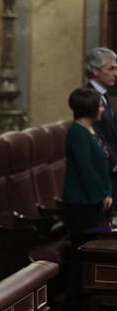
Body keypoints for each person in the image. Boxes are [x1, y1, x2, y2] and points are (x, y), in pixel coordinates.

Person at [62, 87, 113, 311]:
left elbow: (102, 164)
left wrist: (107, 193)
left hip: (96, 199)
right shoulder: (77, 133)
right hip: (81, 203)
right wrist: (102, 195)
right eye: (99, 105)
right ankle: (76, 298)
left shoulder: (91, 129)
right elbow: (86, 170)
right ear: (89, 107)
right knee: (81, 249)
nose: (102, 108)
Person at [85, 47, 117, 212]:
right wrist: (114, 164)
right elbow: (97, 136)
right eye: (111, 69)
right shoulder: (88, 97)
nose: (116, 73)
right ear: (95, 71)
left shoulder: (104, 95)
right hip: (103, 171)